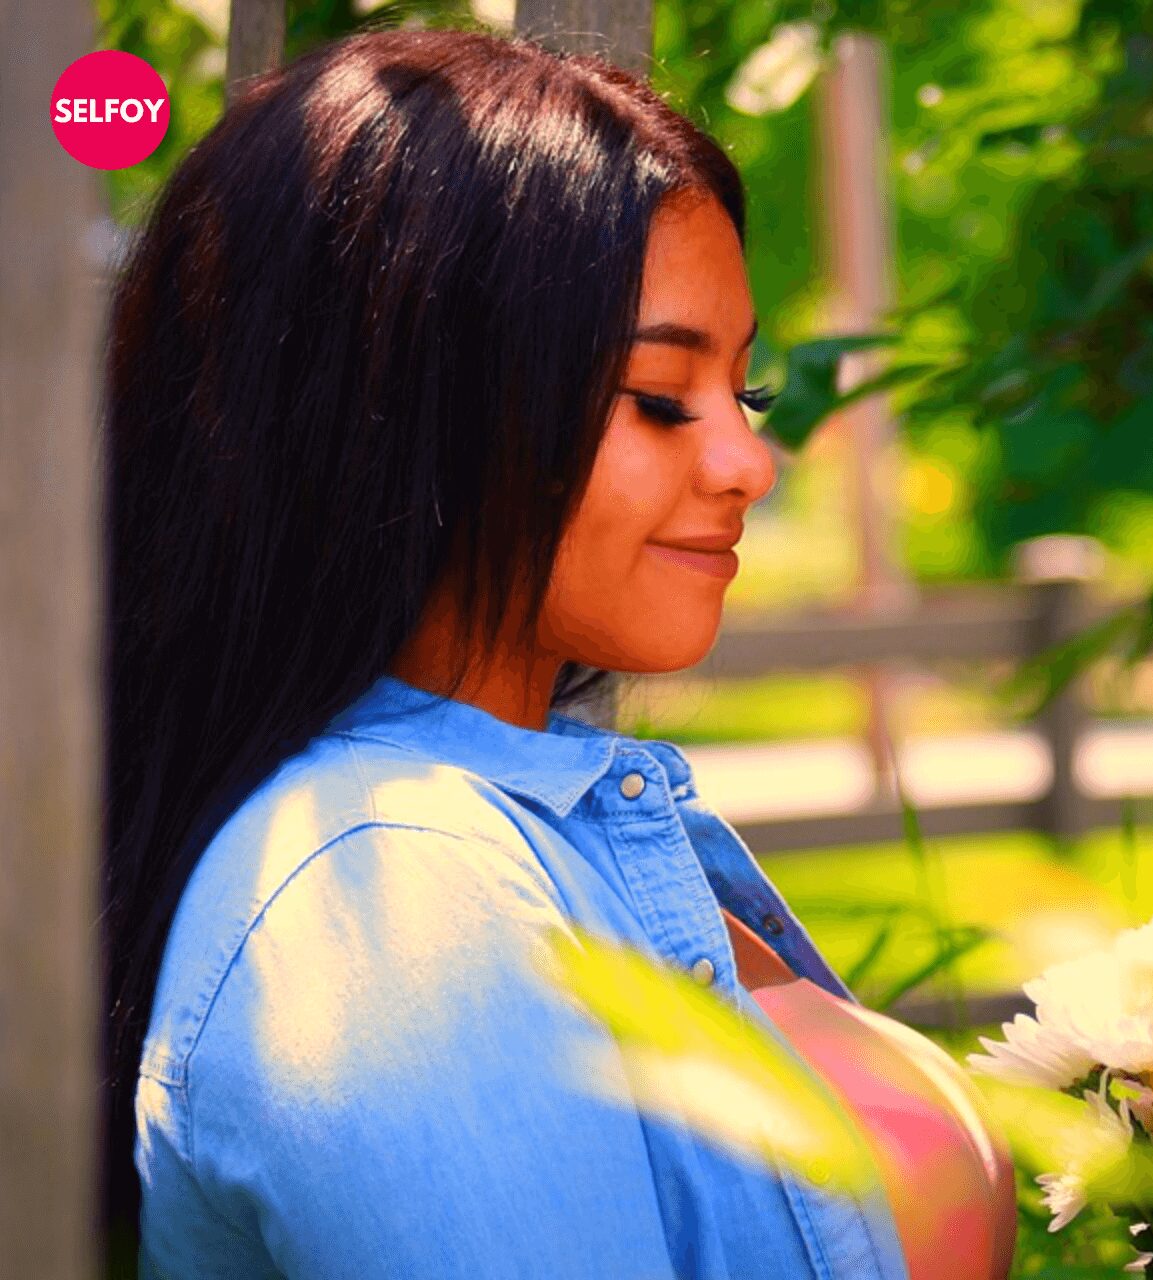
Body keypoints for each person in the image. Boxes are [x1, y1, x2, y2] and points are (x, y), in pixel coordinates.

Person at [102, 27, 1013, 1279]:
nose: (749, 461)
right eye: (656, 397)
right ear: (410, 399)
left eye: (740, 394)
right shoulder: (390, 895)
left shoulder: (538, 820)